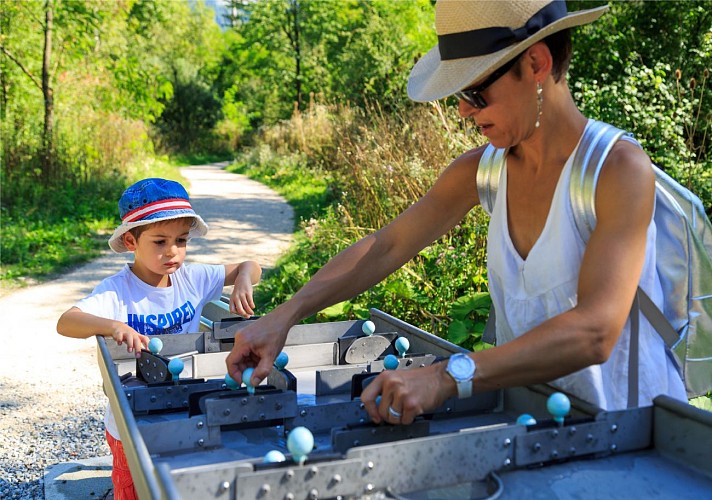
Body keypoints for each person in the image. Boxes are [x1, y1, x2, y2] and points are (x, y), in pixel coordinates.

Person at [225, 0, 687, 426]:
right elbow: (386, 245)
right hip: (541, 423)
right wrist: (284, 316)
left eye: (476, 91)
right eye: (458, 94)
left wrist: (448, 376)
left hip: (634, 433)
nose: (464, 110)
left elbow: (595, 331)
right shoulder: (482, 171)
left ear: (536, 64)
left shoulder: (616, 170)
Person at [57, 177, 261, 500]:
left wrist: (243, 281)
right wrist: (112, 326)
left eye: (181, 240)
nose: (173, 253)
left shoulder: (191, 279)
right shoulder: (118, 291)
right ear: (130, 241)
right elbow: (66, 322)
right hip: (131, 420)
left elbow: (250, 266)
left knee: (176, 483)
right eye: (160, 242)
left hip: (183, 406)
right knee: (133, 488)